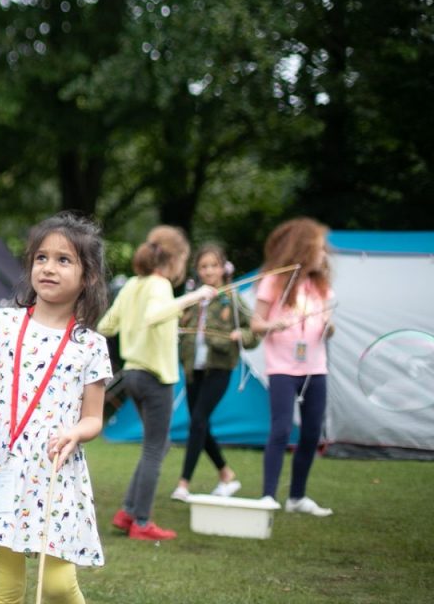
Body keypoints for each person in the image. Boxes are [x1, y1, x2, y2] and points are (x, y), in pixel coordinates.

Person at [0, 213, 111, 604]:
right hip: (2, 463)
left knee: (55, 585)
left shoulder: (90, 345)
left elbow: (93, 417)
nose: (48, 268)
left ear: (87, 276)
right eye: (41, 258)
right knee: (4, 588)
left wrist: (75, 432)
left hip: (54, 473)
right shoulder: (1, 324)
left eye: (63, 260)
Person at [96, 225, 215, 540]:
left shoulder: (133, 285)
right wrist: (197, 296)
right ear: (174, 258)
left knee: (157, 446)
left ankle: (127, 512)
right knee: (154, 448)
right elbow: (153, 315)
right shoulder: (160, 285)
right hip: (155, 378)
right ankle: (143, 522)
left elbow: (106, 326)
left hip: (132, 375)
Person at [252, 217, 336, 516]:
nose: (323, 255)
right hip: (282, 368)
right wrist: (273, 324)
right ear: (302, 249)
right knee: (281, 428)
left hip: (316, 367)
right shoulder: (274, 281)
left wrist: (329, 329)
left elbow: (328, 325)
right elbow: (255, 324)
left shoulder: (320, 287)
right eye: (319, 249)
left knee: (313, 432)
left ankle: (297, 497)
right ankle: (268, 495)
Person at [170, 243, 257, 502]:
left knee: (197, 420)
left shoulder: (232, 297)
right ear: (197, 270)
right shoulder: (193, 297)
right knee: (200, 423)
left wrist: (241, 334)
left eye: (214, 266)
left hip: (218, 367)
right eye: (204, 266)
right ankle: (226, 474)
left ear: (223, 268)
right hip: (191, 368)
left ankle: (183, 483)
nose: (209, 271)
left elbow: (254, 332)